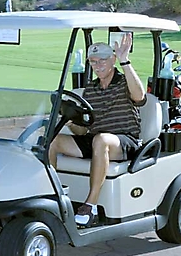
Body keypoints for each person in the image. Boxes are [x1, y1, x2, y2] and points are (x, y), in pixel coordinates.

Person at [49, 34, 146, 228]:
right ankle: (52, 196)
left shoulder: (123, 81)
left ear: (112, 60)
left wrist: (125, 60)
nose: (97, 65)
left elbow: (139, 96)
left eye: (102, 60)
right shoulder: (91, 88)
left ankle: (90, 205)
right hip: (96, 140)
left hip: (124, 141)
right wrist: (69, 122)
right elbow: (83, 130)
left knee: (101, 140)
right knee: (52, 140)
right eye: (93, 61)